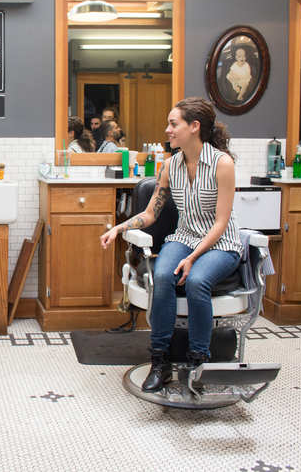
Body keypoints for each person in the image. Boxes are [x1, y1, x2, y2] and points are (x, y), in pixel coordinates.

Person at [100, 97, 243, 392]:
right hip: (184, 237)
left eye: (173, 124)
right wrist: (119, 227)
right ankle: (160, 361)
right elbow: (151, 213)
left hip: (220, 243)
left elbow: (221, 222)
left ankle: (197, 360)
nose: (167, 130)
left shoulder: (222, 164)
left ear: (194, 127)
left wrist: (193, 258)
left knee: (197, 281)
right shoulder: (171, 166)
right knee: (162, 276)